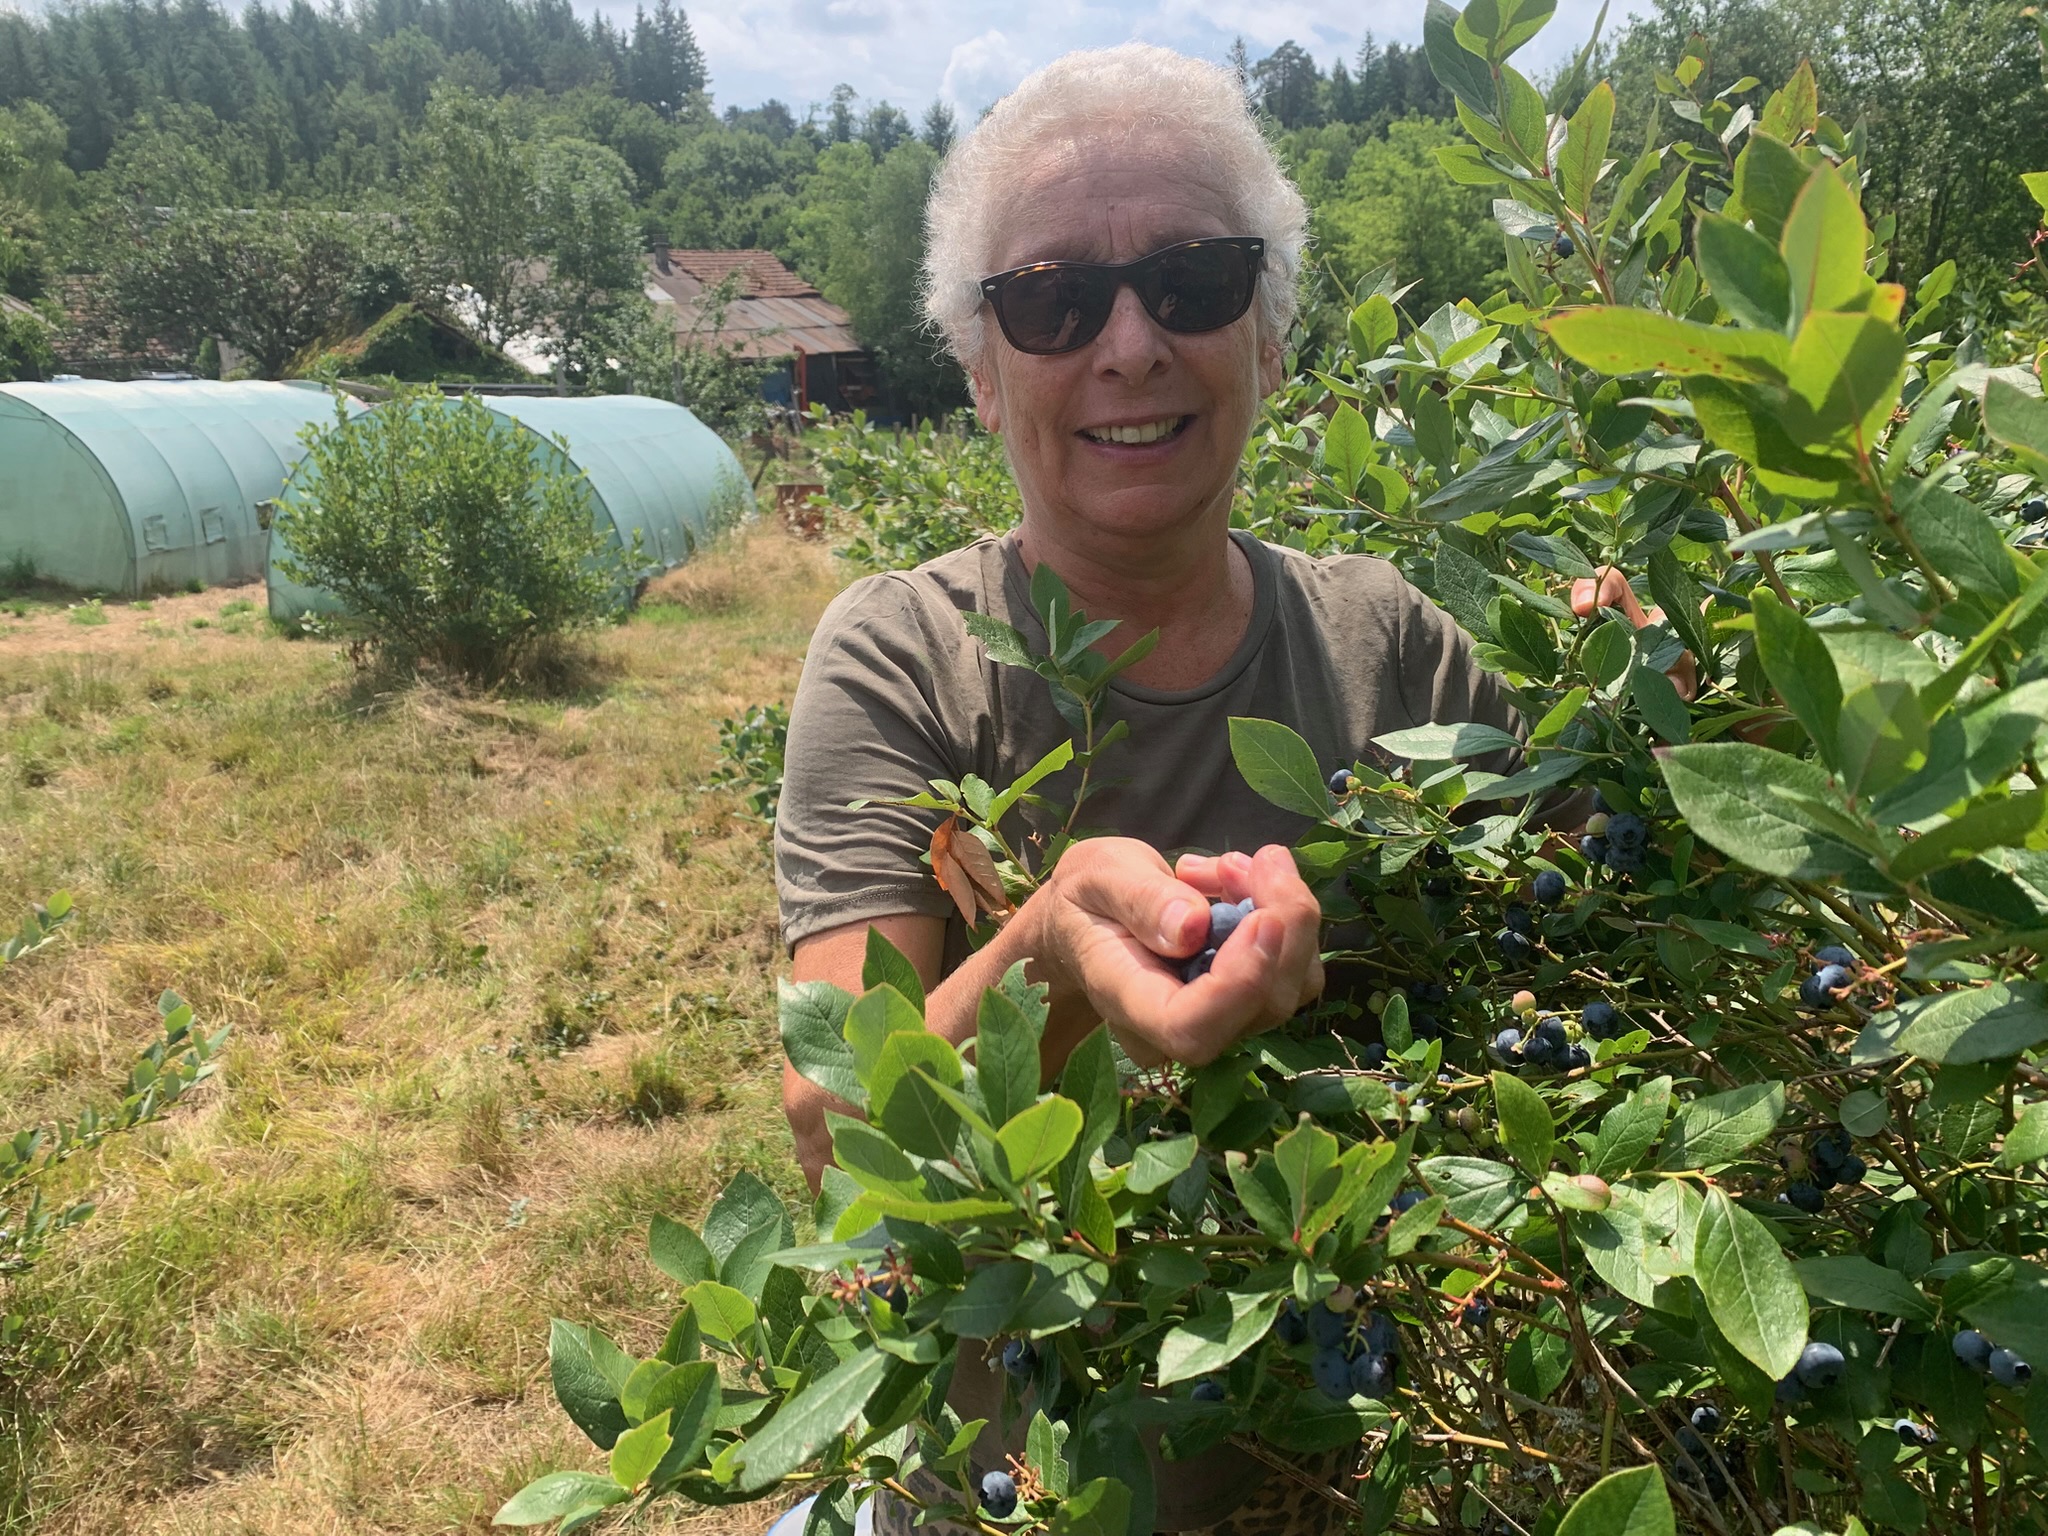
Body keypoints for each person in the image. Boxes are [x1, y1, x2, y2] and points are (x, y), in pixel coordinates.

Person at [773, 44, 1678, 1536]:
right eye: (1054, 301)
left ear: (1268, 339)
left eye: (1194, 280)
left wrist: (1667, 720)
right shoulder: (904, 658)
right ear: (983, 372)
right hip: (1021, 1499)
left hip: (1369, 1478)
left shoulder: (1385, 641)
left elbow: (1617, 934)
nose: (1131, 345)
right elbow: (839, 1133)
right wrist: (1054, 952)